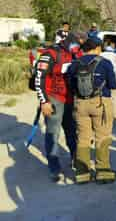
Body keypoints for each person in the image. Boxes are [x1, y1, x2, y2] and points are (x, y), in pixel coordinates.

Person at [68, 37, 116, 184]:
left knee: (83, 138)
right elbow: (113, 84)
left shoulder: (74, 64)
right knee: (102, 137)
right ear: (97, 48)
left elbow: (71, 85)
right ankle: (103, 172)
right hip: (100, 103)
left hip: (80, 104)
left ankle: (82, 174)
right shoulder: (105, 63)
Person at [34, 32, 82, 182]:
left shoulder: (75, 54)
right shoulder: (49, 54)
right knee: (53, 133)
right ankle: (54, 167)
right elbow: (39, 79)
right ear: (67, 42)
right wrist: (44, 102)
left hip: (69, 99)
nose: (77, 47)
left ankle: (76, 160)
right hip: (53, 99)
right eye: (76, 44)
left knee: (72, 131)